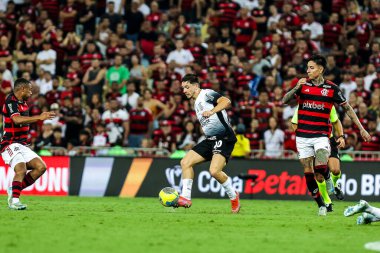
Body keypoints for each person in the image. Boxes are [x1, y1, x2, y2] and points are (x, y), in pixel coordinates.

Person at [282, 54, 371, 216]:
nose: (307, 71)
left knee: (322, 165)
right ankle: (322, 204)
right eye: (307, 67)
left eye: (311, 67)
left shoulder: (332, 89)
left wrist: (361, 128)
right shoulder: (303, 85)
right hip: (302, 135)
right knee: (310, 171)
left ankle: (329, 180)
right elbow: (284, 100)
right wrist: (296, 87)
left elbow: (348, 109)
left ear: (320, 69)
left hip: (322, 134)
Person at [177, 74, 240, 213]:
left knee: (214, 171)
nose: (184, 91)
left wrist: (212, 111)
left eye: (187, 87)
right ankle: (185, 198)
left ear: (196, 86)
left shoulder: (206, 94)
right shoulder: (195, 102)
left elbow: (226, 101)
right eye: (183, 88)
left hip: (223, 137)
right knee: (185, 162)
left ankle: (233, 196)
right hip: (210, 139)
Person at [1, 78, 56, 210]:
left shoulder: (24, 103)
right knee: (21, 169)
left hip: (22, 144)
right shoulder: (11, 101)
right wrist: (39, 117)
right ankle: (14, 202)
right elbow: (16, 119)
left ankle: (13, 188)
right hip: (9, 144)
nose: (31, 92)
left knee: (41, 167)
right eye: (30, 89)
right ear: (22, 89)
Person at [292, 105, 345, 212]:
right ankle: (327, 201)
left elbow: (335, 121)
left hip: (326, 139)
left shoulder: (328, 103)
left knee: (335, 170)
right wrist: (302, 136)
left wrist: (341, 136)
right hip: (309, 141)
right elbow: (294, 123)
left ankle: (334, 186)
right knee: (319, 176)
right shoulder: (302, 104)